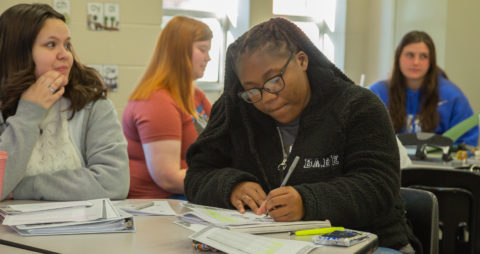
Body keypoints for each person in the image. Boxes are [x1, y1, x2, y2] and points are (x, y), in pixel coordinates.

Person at [185, 18, 419, 253]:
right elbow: (197, 176)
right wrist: (231, 186)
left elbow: (378, 187)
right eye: (252, 90)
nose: (267, 98)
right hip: (269, 245)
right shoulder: (234, 111)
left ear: (302, 60)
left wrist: (307, 201)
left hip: (371, 242)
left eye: (275, 80)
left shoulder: (358, 106)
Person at [0, 3, 129, 201]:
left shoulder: (92, 105)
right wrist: (29, 113)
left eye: (67, 44)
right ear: (18, 52)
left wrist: (26, 187)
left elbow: (114, 182)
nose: (65, 54)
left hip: (81, 230)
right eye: (51, 44)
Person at [122, 16, 212, 199]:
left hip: (186, 195)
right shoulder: (156, 101)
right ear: (180, 52)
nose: (208, 58)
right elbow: (168, 179)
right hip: (159, 203)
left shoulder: (195, 95)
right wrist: (222, 180)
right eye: (203, 50)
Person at [369, 31, 478, 147]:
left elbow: (467, 142)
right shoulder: (377, 93)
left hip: (439, 164)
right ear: (398, 57)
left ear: (431, 61)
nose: (416, 62)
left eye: (423, 56)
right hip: (390, 163)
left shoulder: (452, 96)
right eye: (410, 55)